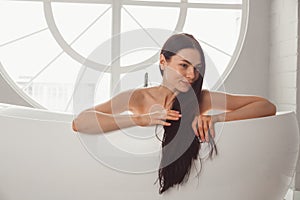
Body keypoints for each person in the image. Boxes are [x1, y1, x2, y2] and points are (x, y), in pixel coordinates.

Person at [72, 33, 276, 194]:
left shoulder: (201, 99)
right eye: (184, 65)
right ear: (163, 62)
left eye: (197, 68)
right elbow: (80, 122)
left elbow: (266, 106)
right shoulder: (137, 98)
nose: (191, 75)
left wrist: (216, 118)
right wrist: (138, 119)